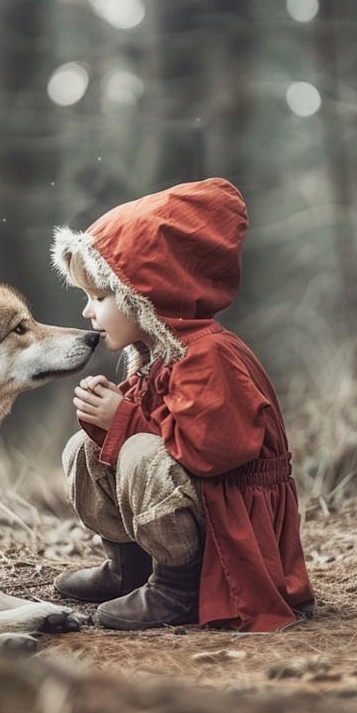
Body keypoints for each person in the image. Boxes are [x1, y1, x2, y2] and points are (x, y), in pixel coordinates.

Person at [50, 178, 314, 632]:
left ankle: (178, 587)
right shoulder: (161, 350)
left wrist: (123, 419)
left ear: (146, 292)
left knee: (139, 452)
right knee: (83, 449)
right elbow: (159, 423)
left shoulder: (208, 355)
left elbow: (210, 453)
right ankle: (128, 566)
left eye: (100, 297)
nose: (88, 313)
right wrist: (109, 414)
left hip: (230, 522)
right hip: (204, 501)